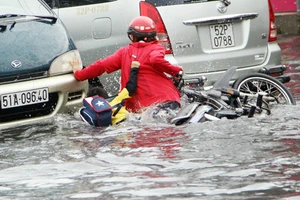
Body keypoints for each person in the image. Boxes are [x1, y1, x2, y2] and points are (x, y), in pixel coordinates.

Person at [70, 16, 183, 113]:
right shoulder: (155, 47)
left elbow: (101, 66)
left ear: (133, 36)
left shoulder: (124, 52)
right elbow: (155, 59)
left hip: (144, 109)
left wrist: (79, 74)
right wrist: (176, 71)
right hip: (169, 100)